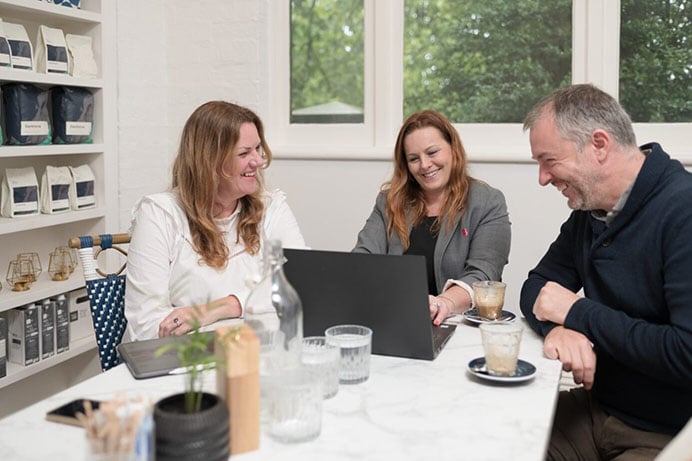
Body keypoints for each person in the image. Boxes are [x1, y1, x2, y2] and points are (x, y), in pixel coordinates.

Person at [520, 83, 692, 460]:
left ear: (598, 144)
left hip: (665, 435)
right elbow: (536, 288)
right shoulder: (590, 212)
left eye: (549, 160)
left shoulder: (683, 212)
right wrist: (558, 329)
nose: (543, 178)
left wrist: (578, 314)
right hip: (596, 410)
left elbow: (686, 354)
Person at [125, 101, 306, 340]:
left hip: (259, 352)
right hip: (188, 361)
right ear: (208, 162)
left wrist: (218, 309)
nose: (258, 162)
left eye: (257, 149)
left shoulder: (272, 207)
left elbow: (301, 285)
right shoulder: (159, 214)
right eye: (244, 153)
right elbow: (147, 326)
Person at [353, 109, 511, 325]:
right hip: (396, 320)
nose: (425, 165)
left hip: (459, 326)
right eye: (414, 158)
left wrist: (444, 303)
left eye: (433, 152)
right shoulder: (389, 202)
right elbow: (363, 259)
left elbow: (484, 273)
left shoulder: (487, 202)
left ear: (453, 149)